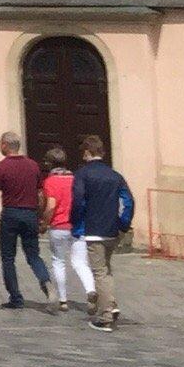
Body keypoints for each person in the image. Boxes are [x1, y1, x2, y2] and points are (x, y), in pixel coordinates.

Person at [70, 134, 135, 330]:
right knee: (105, 269)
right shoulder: (115, 176)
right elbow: (128, 201)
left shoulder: (83, 174)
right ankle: (111, 304)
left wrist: (76, 221)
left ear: (87, 152)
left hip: (93, 229)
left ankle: (106, 316)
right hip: (112, 229)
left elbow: (78, 201)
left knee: (99, 272)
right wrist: (123, 224)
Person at [0, 131, 54, 309]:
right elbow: (40, 194)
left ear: (4, 145)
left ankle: (15, 297)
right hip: (30, 213)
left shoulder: (0, 167)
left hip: (10, 214)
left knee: (8, 257)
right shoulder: (33, 166)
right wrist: (40, 216)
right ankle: (45, 280)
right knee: (33, 254)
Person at [38, 143, 92, 313]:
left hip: (59, 227)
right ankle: (91, 291)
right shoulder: (75, 179)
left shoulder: (50, 181)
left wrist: (44, 223)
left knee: (58, 261)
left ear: (50, 164)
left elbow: (51, 206)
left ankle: (63, 299)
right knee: (81, 263)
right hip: (77, 226)